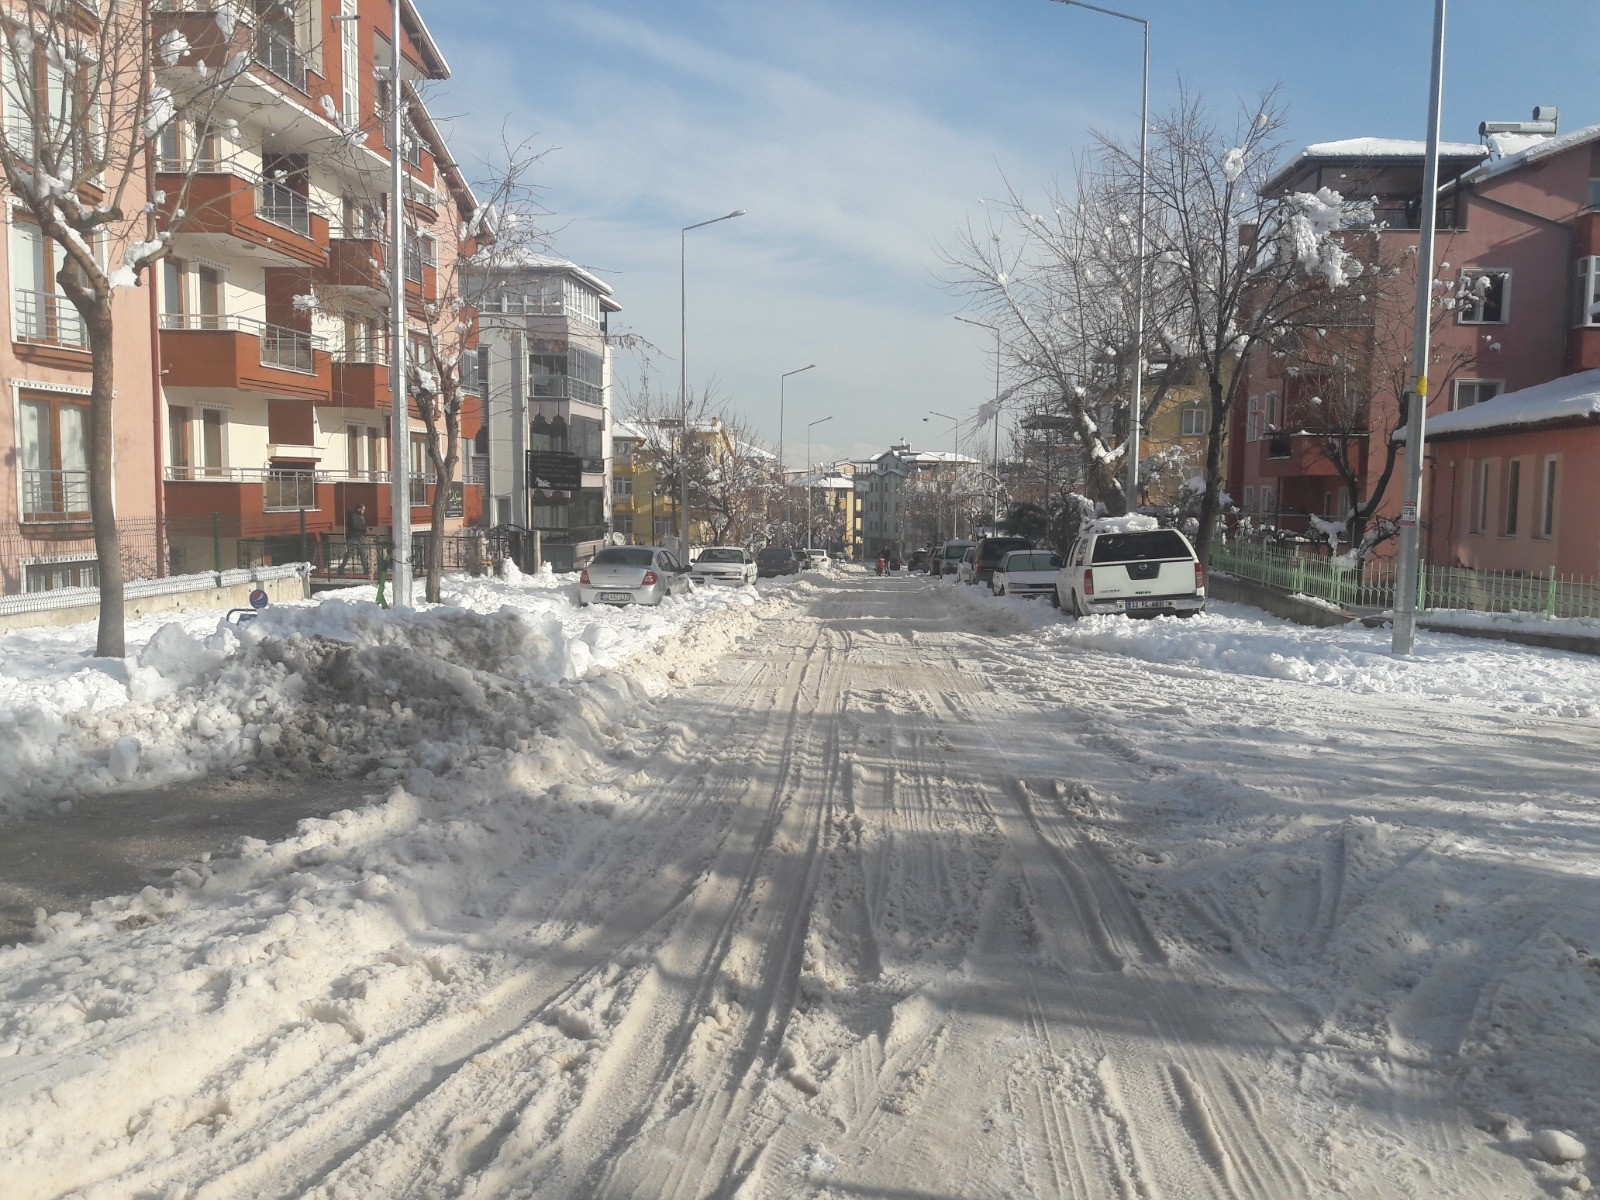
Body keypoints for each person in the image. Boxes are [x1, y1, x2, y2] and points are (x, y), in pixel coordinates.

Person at [341, 503, 370, 575]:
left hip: (360, 537)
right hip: (353, 537)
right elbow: (355, 526)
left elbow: (361, 525)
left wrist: (364, 530)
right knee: (350, 553)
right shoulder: (352, 515)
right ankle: (341, 568)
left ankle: (366, 569)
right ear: (359, 509)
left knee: (363, 553)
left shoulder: (361, 516)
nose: (364, 511)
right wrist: (365, 529)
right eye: (363, 510)